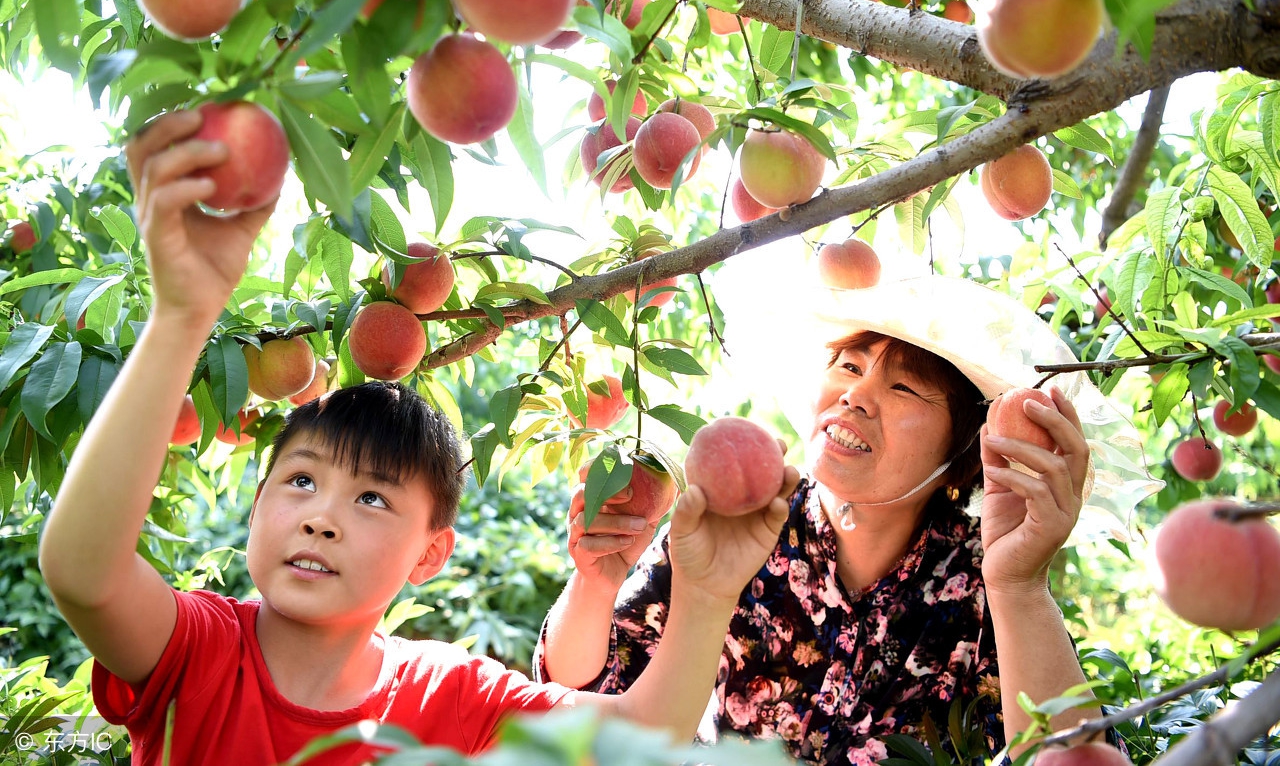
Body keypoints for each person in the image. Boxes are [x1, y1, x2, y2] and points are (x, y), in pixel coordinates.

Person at [36, 110, 800, 766]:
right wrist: (181, 317)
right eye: (300, 481)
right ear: (256, 505)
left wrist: (706, 595)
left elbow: (637, 737)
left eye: (371, 497)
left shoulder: (450, 695)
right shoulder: (200, 650)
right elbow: (82, 571)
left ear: (431, 555)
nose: (320, 517)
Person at [534, 275, 1160, 766]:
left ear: (962, 451)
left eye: (904, 389)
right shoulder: (739, 525)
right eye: (850, 367)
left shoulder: (980, 585)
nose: (856, 396)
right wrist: (593, 583)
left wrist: (1020, 587)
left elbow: (1070, 757)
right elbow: (583, 694)